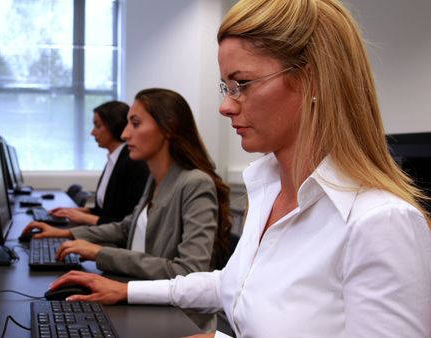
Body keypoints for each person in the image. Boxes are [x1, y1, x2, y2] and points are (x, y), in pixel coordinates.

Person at [45, 0, 431, 337]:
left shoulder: (380, 223)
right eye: (225, 87)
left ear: (312, 78)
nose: (226, 106)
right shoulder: (268, 191)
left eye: (241, 84)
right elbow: (233, 284)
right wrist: (127, 291)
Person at [22, 88, 233, 280]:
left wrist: (100, 253)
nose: (124, 134)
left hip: (176, 316)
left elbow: (189, 272)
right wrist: (67, 234)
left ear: (168, 128)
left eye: (135, 123)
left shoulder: (195, 183)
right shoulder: (155, 179)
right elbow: (125, 228)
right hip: (139, 291)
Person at [51, 101, 149, 225]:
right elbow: (105, 210)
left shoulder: (134, 163)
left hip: (116, 240)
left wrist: (84, 218)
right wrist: (74, 211)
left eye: (98, 126)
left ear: (115, 126)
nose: (92, 132)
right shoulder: (114, 159)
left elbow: (126, 221)